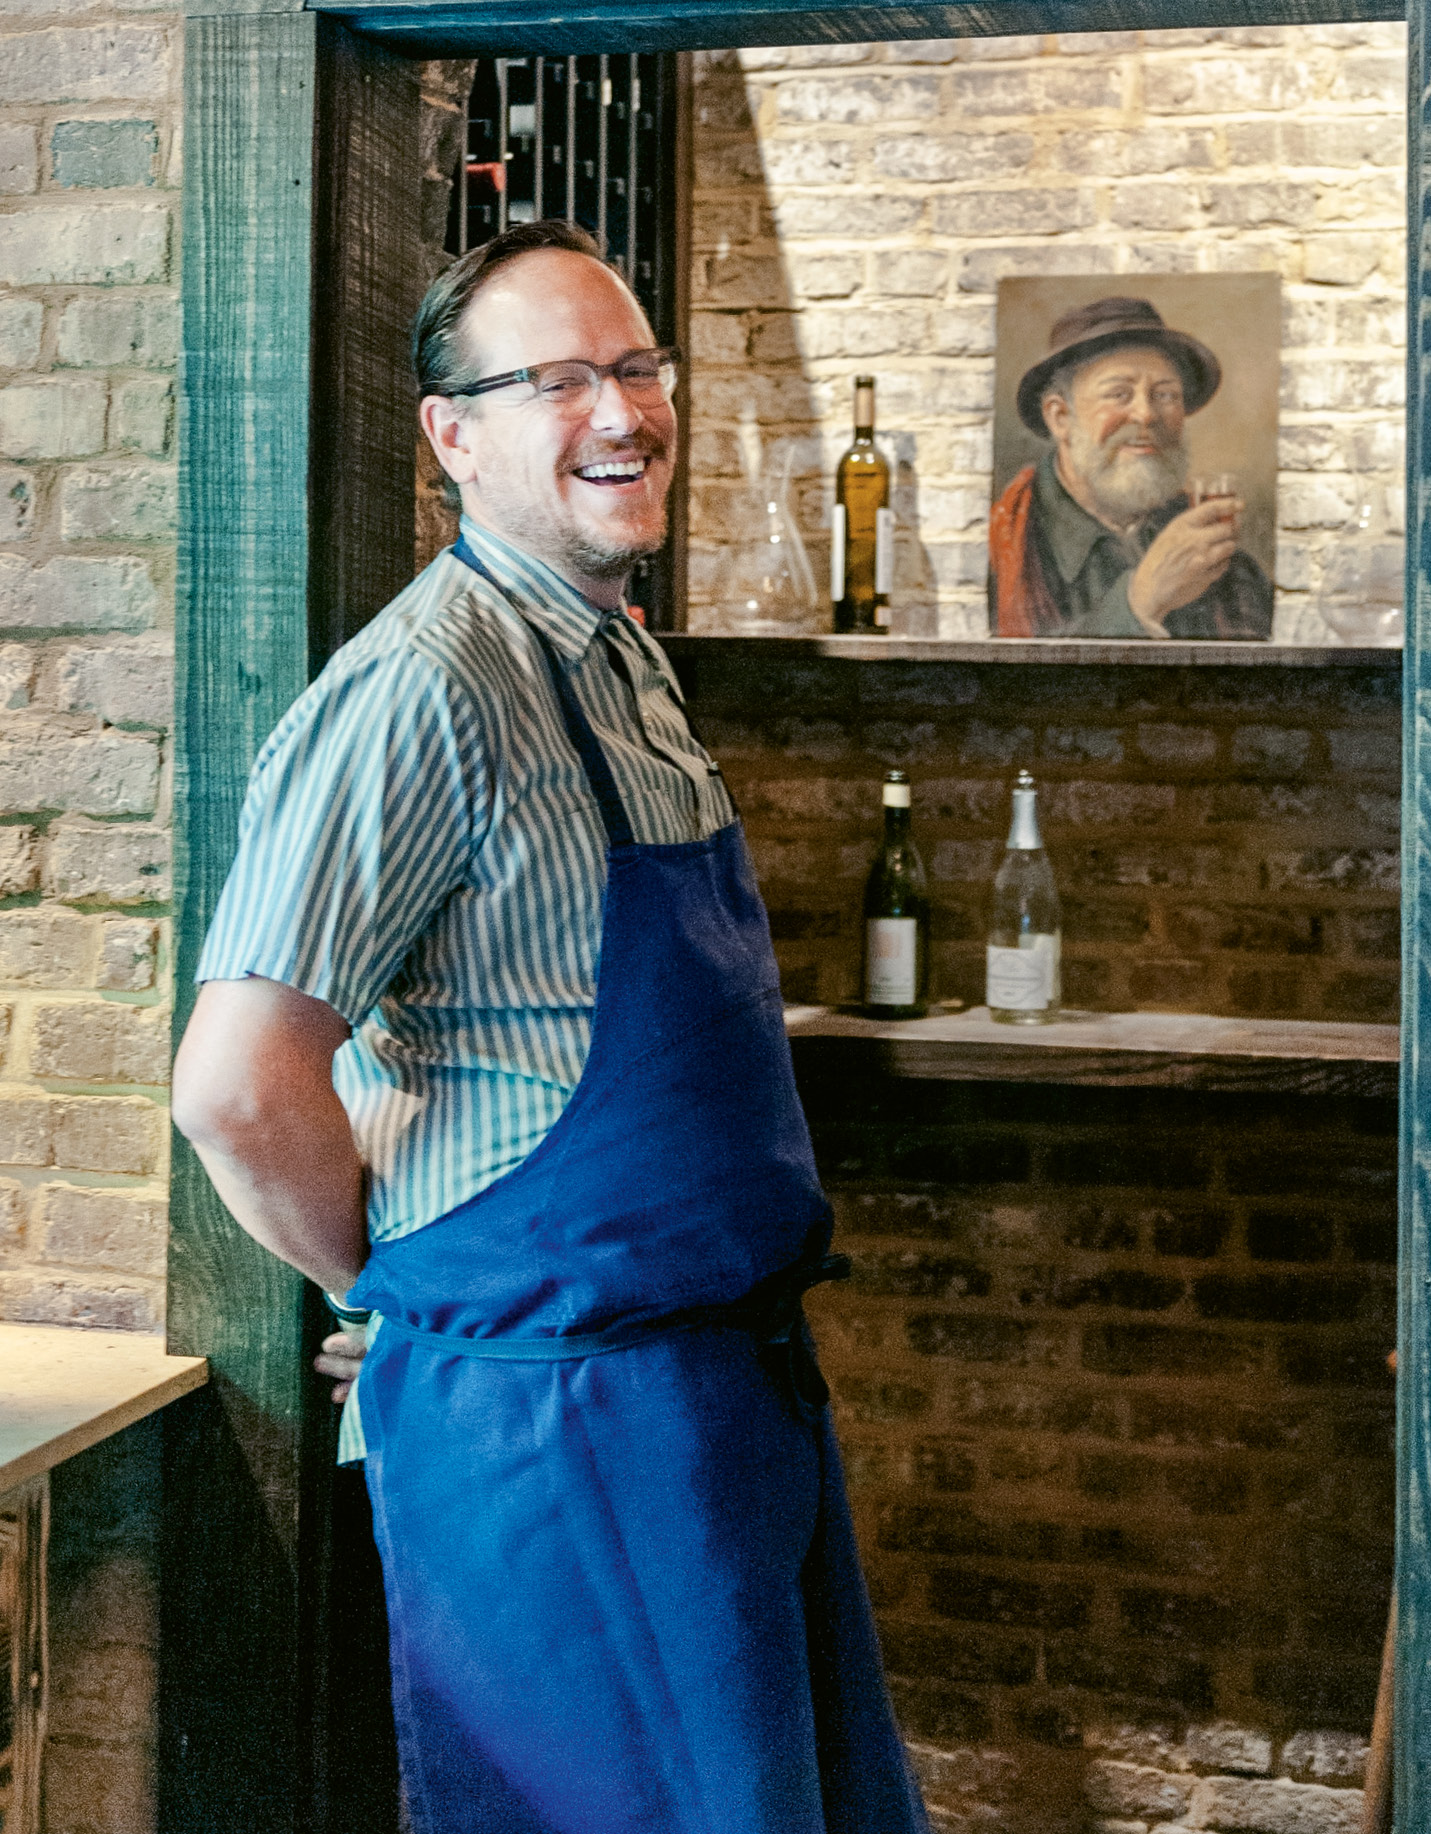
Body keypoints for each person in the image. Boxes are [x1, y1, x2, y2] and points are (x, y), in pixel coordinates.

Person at [171, 219, 928, 1834]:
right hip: (560, 1436)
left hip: (719, 1409)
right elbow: (238, 1083)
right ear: (452, 434)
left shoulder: (620, 660)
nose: (624, 410)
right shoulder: (421, 690)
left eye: (641, 366)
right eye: (562, 377)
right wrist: (390, 1271)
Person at [989, 294, 1273, 640]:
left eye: (1165, 395)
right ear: (1060, 418)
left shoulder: (1218, 556)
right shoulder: (1001, 551)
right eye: (1119, 394)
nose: (1147, 414)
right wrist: (1137, 603)